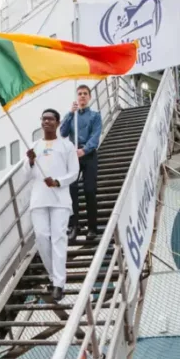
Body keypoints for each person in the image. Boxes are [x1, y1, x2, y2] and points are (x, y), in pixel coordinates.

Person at [26, 108, 79, 302]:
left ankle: (58, 284)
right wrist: (31, 161)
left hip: (60, 200)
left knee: (58, 239)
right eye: (44, 119)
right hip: (39, 199)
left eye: (50, 119)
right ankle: (52, 276)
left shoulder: (66, 145)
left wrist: (57, 182)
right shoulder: (34, 146)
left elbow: (74, 172)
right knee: (41, 238)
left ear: (57, 123)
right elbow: (27, 175)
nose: (46, 122)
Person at [60, 84, 102, 241]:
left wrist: (84, 150)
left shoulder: (95, 116)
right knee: (72, 190)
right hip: (73, 156)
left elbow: (95, 136)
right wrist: (70, 113)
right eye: (79, 93)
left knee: (89, 190)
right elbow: (63, 132)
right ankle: (74, 225)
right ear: (76, 97)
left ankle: (92, 227)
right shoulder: (72, 115)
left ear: (89, 97)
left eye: (85, 93)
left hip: (88, 155)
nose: (82, 96)